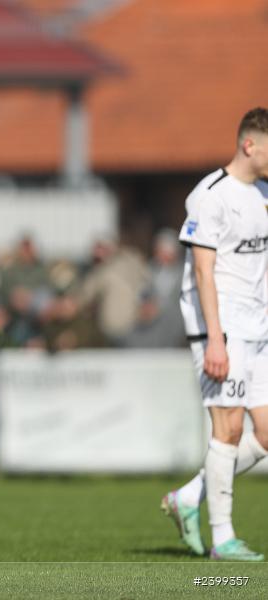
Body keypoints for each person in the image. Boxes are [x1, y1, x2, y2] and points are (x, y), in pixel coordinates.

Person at [161, 108, 268, 561]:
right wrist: (216, 340)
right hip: (222, 329)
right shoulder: (210, 195)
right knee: (228, 429)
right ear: (249, 144)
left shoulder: (263, 194)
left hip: (259, 328)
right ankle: (222, 541)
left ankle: (189, 496)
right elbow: (204, 272)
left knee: (265, 434)